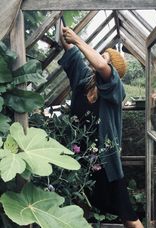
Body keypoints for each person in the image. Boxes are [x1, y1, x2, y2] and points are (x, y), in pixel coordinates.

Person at [58, 25, 144, 228]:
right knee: (78, 207)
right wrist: (63, 29)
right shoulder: (84, 79)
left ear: (112, 68)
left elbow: (101, 66)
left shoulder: (115, 89)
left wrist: (78, 39)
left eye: (103, 56)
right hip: (79, 158)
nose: (97, 57)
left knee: (128, 216)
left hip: (105, 163)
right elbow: (69, 49)